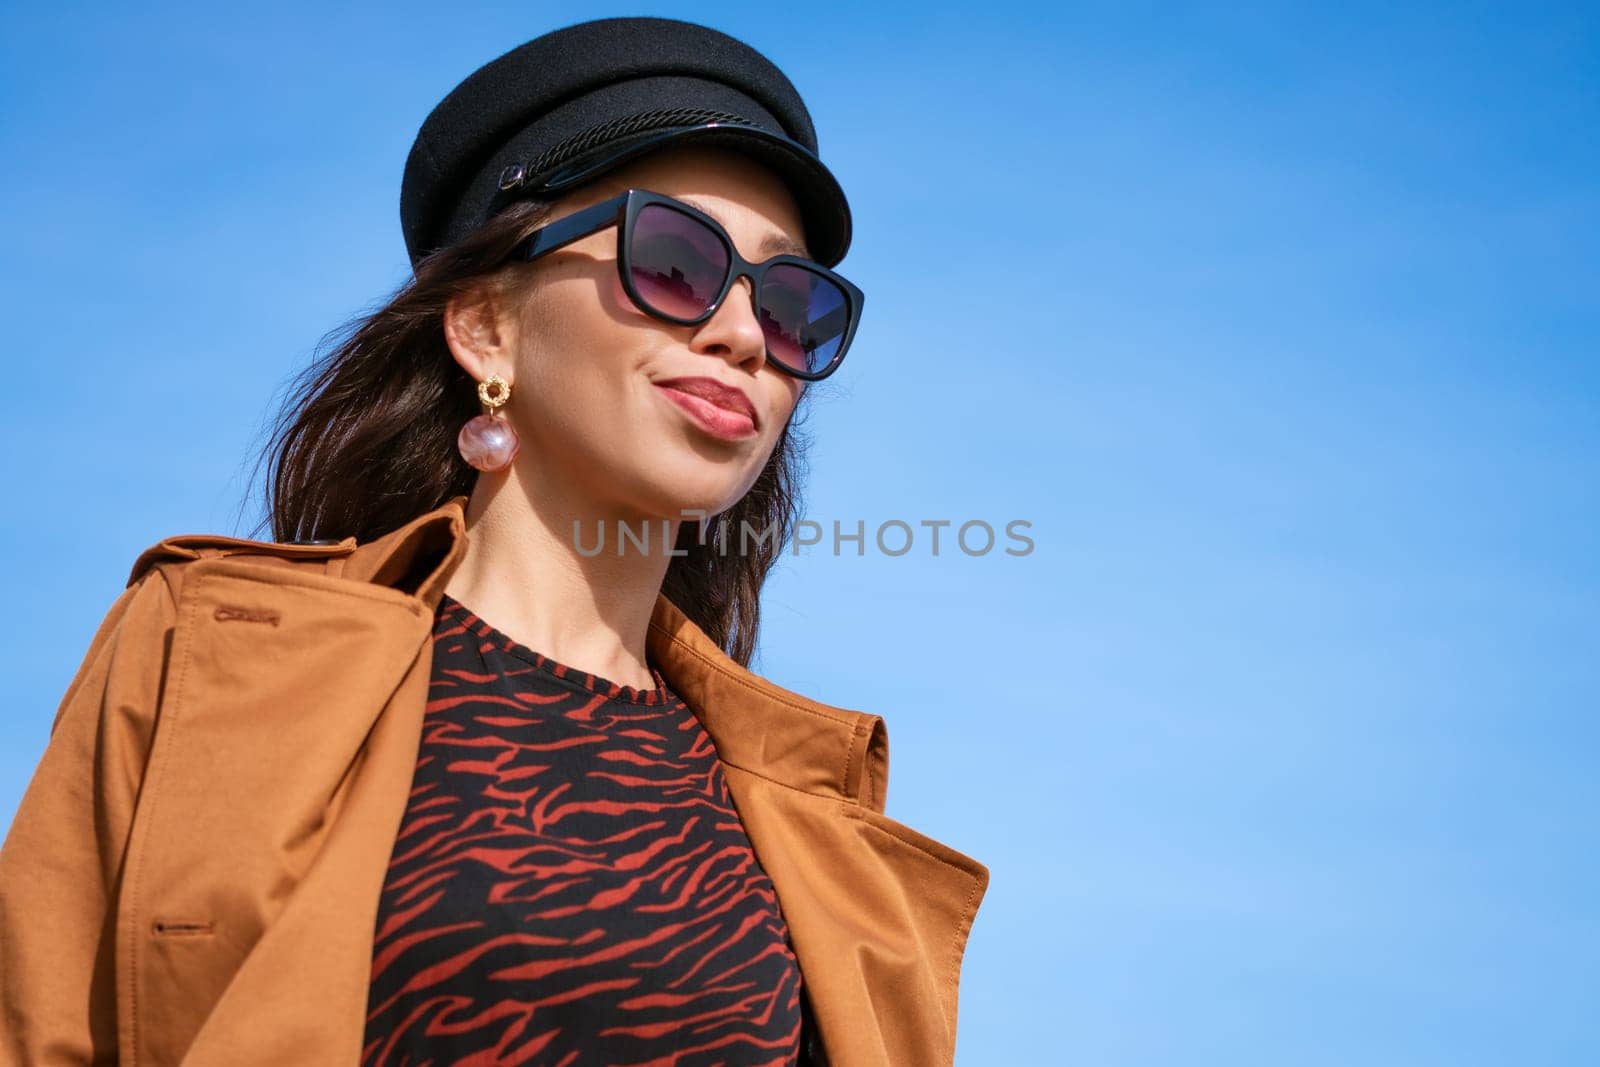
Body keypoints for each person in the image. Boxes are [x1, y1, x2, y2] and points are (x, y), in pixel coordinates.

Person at [0, 16, 988, 1067]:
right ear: (483, 326)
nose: (744, 333)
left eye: (790, 302)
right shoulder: (212, 658)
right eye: (673, 258)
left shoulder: (808, 818)